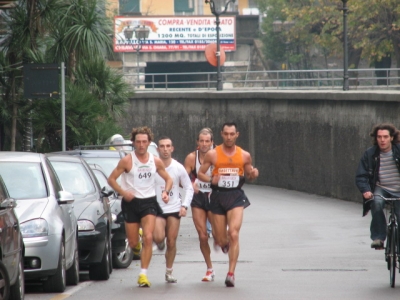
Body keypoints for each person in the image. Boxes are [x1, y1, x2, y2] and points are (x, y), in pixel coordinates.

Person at [108, 126, 173, 287]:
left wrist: (165, 192)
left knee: (149, 238)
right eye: (138, 142)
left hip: (149, 201)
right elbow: (111, 179)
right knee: (132, 242)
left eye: (145, 142)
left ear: (149, 142)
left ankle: (143, 275)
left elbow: (169, 179)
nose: (142, 145)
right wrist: (123, 192)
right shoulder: (127, 161)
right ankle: (136, 245)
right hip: (130, 202)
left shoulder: (155, 161)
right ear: (134, 143)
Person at [198, 122, 259, 287]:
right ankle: (222, 242)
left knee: (233, 234)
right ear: (221, 134)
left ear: (237, 134)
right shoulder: (213, 154)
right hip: (218, 197)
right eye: (226, 134)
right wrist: (211, 179)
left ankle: (231, 273)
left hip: (236, 197)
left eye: (232, 134)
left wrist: (253, 174)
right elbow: (200, 174)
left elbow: (249, 174)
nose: (229, 137)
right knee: (221, 238)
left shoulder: (244, 155)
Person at [153, 137, 194, 283]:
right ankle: (159, 242)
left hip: (174, 207)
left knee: (171, 241)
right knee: (158, 237)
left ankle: (169, 271)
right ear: (158, 149)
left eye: (168, 146)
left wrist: (184, 206)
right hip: (157, 208)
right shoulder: (152, 166)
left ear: (172, 148)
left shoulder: (178, 167)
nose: (165, 149)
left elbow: (189, 187)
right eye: (162, 146)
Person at [355, 123, 400, 249]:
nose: (382, 140)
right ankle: (378, 238)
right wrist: (366, 190)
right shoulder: (370, 154)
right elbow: (361, 175)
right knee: (376, 203)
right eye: (379, 137)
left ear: (391, 138)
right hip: (381, 188)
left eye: (385, 137)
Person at [184, 128, 216, 282]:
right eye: (201, 141)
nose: (204, 144)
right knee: (203, 236)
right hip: (198, 198)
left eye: (207, 141)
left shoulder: (219, 156)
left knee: (219, 235)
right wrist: (192, 183)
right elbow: (183, 177)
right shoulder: (191, 158)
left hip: (216, 197)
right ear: (197, 142)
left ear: (212, 142)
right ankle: (209, 269)